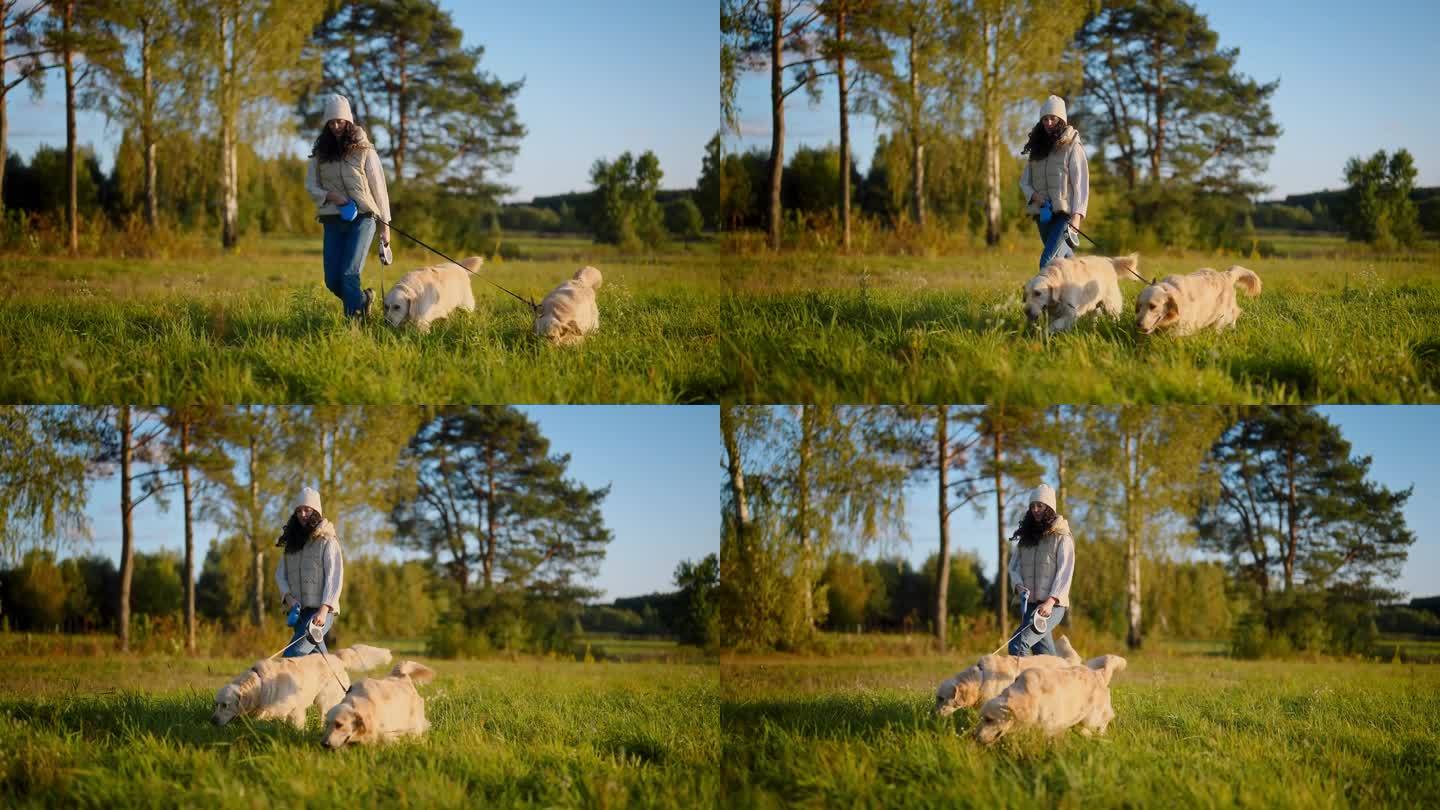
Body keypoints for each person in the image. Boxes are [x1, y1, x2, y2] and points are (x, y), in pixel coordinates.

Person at [304, 93, 392, 319]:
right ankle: (363, 300)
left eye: (340, 121)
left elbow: (379, 187)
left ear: (349, 121)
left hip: (364, 218)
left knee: (349, 273)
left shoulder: (364, 149)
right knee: (333, 280)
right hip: (332, 219)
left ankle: (356, 325)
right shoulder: (320, 153)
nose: (335, 126)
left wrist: (385, 227)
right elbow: (310, 185)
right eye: (331, 122)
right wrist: (331, 195)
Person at [1019, 95, 1090, 271]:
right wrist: (1036, 198)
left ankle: (1041, 298)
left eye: (1052, 118)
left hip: (1065, 217)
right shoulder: (1036, 149)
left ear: (1061, 120)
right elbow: (1024, 182)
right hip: (1043, 216)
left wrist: (1077, 217)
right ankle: (1083, 293)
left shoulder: (1073, 145)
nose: (1048, 122)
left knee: (1048, 263)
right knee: (1067, 264)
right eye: (1045, 119)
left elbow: (1081, 184)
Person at [1006, 483, 1075, 657]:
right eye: (1032, 506)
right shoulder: (1025, 539)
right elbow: (1013, 567)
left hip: (1053, 606)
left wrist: (1050, 601)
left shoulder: (1062, 537)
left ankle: (1023, 684)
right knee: (1045, 657)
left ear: (1049, 507)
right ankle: (1062, 682)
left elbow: (1065, 572)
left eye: (1040, 505)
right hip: (1031, 606)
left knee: (1018, 645)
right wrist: (1019, 585)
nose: (1035, 509)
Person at [275, 486, 344, 656]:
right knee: (317, 660)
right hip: (299, 613)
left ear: (316, 511)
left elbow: (334, 577)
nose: (302, 514)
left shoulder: (327, 541)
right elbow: (280, 575)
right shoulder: (292, 545)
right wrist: (289, 599)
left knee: (292, 656)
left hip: (320, 613)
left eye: (307, 509)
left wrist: (323, 610)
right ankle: (342, 684)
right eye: (299, 511)